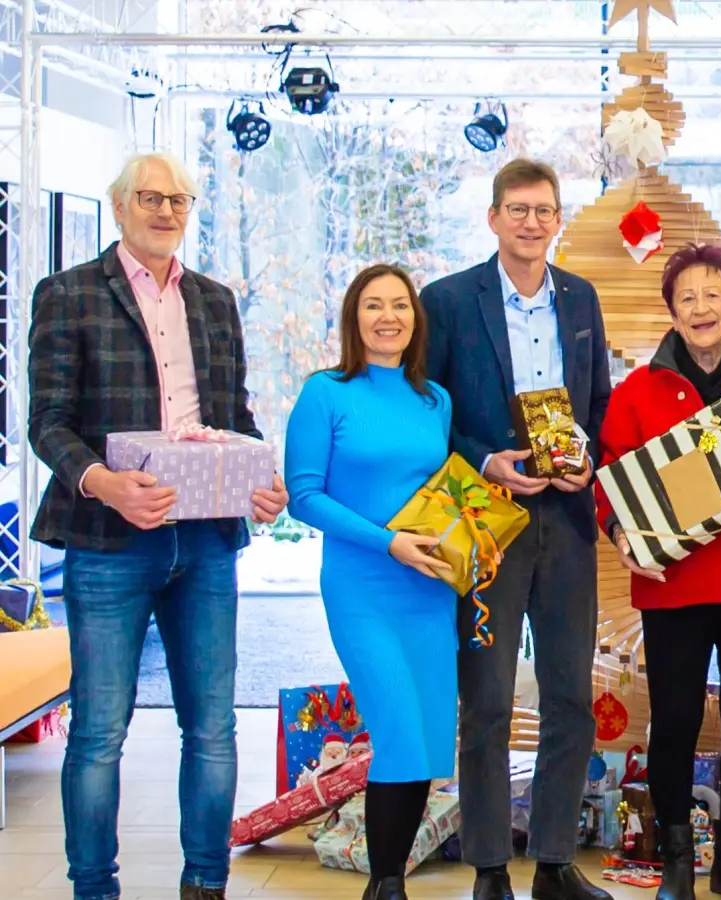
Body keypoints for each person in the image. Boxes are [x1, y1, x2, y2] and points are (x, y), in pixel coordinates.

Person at [27, 152, 288, 900]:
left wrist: (258, 479)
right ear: (119, 207)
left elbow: (231, 416)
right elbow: (47, 422)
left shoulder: (215, 300)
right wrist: (104, 483)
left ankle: (206, 882)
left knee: (212, 727)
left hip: (206, 541)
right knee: (99, 731)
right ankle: (93, 888)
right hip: (108, 542)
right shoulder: (69, 293)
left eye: (178, 199)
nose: (166, 210)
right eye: (150, 197)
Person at [421, 158, 614, 900]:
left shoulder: (581, 297)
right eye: (518, 210)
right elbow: (428, 412)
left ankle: (556, 862)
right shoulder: (447, 301)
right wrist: (484, 460)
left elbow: (597, 404)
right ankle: (490, 867)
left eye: (543, 210)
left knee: (570, 697)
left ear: (558, 219)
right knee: (489, 702)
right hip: (485, 520)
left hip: (566, 520)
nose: (531, 223)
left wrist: (588, 459)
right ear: (494, 218)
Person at [595, 244, 721, 900]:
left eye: (713, 295)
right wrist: (619, 530)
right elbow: (610, 478)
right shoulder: (637, 393)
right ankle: (678, 862)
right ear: (672, 313)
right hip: (675, 584)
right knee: (676, 718)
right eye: (686, 297)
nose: (701, 308)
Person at [285, 264, 458, 900]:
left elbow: (436, 491)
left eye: (400, 305)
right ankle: (386, 886)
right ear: (353, 319)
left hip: (429, 589)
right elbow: (304, 496)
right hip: (362, 588)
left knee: (430, 744)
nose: (389, 317)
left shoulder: (434, 399)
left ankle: (388, 885)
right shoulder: (325, 393)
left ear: (416, 318)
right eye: (374, 305)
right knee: (401, 736)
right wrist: (389, 542)